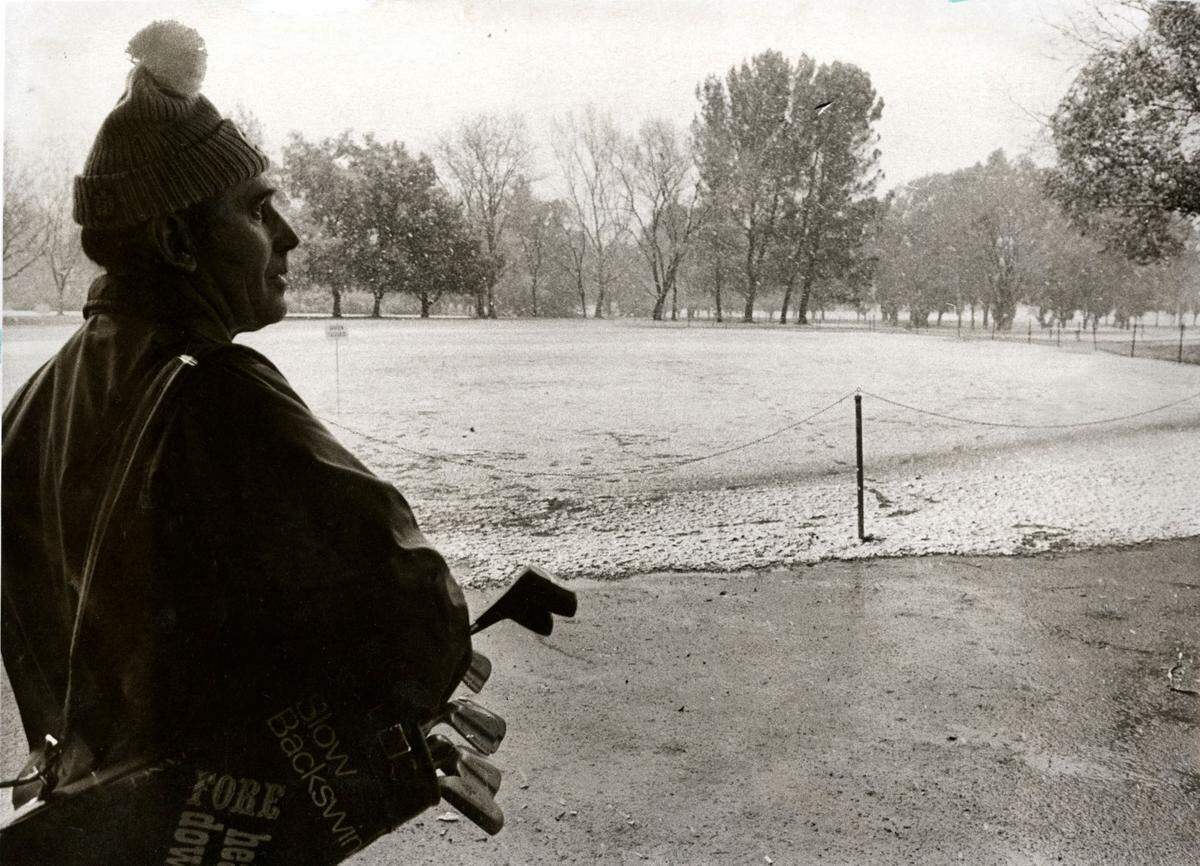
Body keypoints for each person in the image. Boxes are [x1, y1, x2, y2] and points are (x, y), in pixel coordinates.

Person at [1, 19, 470, 798]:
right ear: (179, 243)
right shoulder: (220, 389)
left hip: (97, 812)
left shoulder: (31, 406)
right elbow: (414, 621)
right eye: (256, 210)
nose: (288, 235)